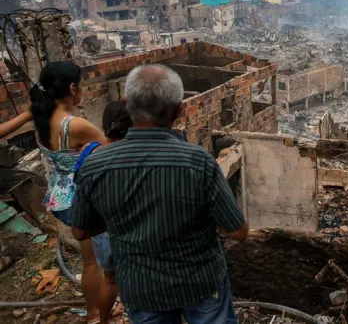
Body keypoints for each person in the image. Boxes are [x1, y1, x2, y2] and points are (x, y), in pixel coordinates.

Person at [69, 64, 249, 324]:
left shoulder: (95, 165)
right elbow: (238, 232)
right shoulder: (198, 161)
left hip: (141, 288)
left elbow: (80, 231)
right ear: (178, 109)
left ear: (125, 103)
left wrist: (122, 216)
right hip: (200, 283)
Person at [29, 61, 108, 324]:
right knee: (97, 262)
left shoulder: (41, 117)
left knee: (90, 261)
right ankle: (98, 315)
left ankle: (93, 311)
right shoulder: (74, 125)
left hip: (59, 198)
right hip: (81, 200)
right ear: (73, 88)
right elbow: (111, 151)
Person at [74, 101, 132, 324]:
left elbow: (80, 185)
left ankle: (104, 319)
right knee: (131, 275)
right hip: (126, 228)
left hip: (100, 230)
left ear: (103, 125)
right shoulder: (130, 156)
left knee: (109, 279)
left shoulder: (89, 151)